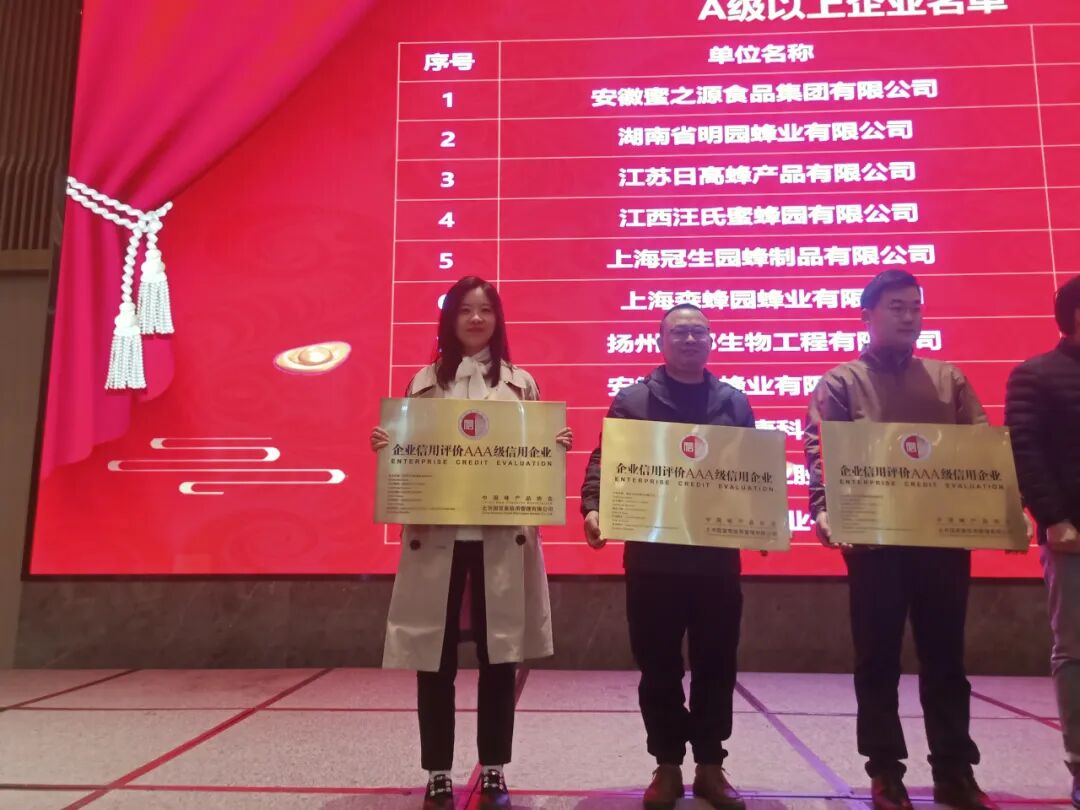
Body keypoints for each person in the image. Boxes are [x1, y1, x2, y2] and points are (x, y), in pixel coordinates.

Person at [371, 276, 572, 810]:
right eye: (465, 310)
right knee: (432, 657)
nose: (476, 319)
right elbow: (407, 456)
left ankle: (495, 768)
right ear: (450, 319)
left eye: (485, 310)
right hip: (438, 536)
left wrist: (554, 447)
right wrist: (388, 446)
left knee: (499, 656)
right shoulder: (421, 384)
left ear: (498, 320)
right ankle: (437, 771)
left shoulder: (521, 384)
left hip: (499, 537)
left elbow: (534, 459)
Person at [803, 270, 998, 810]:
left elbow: (983, 451)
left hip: (942, 543)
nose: (909, 316)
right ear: (867, 316)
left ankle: (955, 771)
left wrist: (1004, 510)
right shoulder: (841, 382)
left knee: (946, 661)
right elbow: (821, 453)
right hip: (875, 545)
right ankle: (885, 772)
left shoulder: (948, 379)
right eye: (896, 306)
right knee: (877, 661)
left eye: (916, 306)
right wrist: (823, 511)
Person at [580, 303, 753, 810]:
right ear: (660, 341)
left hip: (715, 560)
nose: (690, 340)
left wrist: (762, 517)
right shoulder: (633, 400)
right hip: (652, 560)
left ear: (712, 340)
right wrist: (593, 507)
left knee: (716, 664)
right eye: (680, 332)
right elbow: (605, 460)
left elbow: (753, 471)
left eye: (699, 332)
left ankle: (711, 765)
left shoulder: (733, 403)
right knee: (658, 667)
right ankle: (667, 764)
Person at [1005, 275, 1080, 808]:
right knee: (1076, 650)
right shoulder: (1036, 375)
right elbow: (1026, 452)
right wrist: (1054, 518)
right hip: (1073, 533)